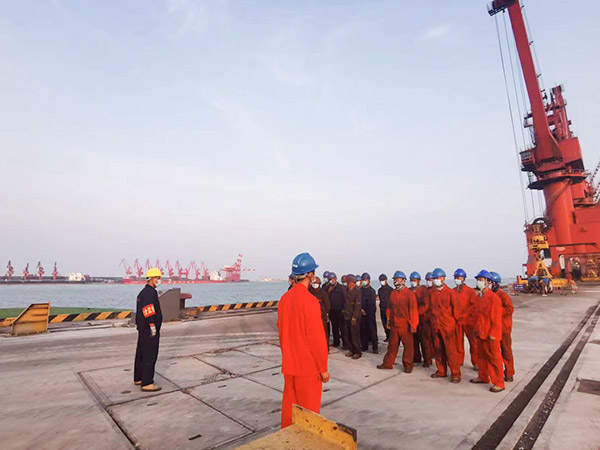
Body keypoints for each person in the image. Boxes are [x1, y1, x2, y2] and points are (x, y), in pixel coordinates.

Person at [278, 252, 330, 428]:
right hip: (308, 369)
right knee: (308, 416)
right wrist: (323, 368)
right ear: (310, 274)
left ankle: (287, 440)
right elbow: (317, 339)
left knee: (290, 411)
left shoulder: (284, 299)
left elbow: (282, 332)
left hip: (289, 365)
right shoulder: (310, 301)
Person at [470, 270, 505, 393]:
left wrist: (493, 334)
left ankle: (499, 383)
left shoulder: (494, 298)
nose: (479, 282)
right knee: (481, 356)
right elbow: (476, 315)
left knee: (494, 358)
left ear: (488, 282)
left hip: (491, 335)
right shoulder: (479, 297)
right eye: (478, 280)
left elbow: (496, 319)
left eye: (481, 280)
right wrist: (475, 329)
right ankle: (483, 376)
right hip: (481, 332)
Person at [378, 271, 419, 373]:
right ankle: (387, 363)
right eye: (394, 279)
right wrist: (388, 319)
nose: (395, 281)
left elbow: (413, 310)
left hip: (405, 325)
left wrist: (413, 325)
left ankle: (408, 365)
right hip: (394, 324)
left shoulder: (409, 294)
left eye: (398, 279)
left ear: (403, 280)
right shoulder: (393, 293)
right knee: (392, 346)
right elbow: (389, 308)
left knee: (408, 347)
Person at [429, 268, 462, 383]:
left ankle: (455, 374)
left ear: (443, 278)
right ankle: (441, 371)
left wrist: (454, 325)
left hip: (448, 327)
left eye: (437, 278)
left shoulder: (451, 293)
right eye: (434, 278)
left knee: (451, 351)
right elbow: (430, 309)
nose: (435, 280)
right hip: (436, 326)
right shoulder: (432, 293)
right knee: (438, 350)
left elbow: (457, 311)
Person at [134, 268, 164, 392]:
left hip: (143, 328)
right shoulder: (150, 293)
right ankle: (147, 382)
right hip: (149, 329)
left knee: (141, 353)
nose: (159, 280)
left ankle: (139, 378)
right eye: (157, 278)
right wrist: (152, 325)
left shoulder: (143, 292)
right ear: (151, 279)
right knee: (150, 355)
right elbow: (149, 309)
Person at [490, 271, 515, 382]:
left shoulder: (503, 296)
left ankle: (509, 372)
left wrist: (497, 312)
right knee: (494, 352)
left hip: (504, 328)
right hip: (493, 328)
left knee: (506, 351)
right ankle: (496, 373)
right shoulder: (489, 296)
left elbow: (509, 309)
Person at [452, 268, 479, 369]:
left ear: (464, 279)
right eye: (456, 277)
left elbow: (473, 306)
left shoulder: (470, 291)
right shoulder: (453, 291)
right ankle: (459, 360)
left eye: (459, 277)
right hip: (457, 321)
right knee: (458, 342)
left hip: (469, 321)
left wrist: (464, 315)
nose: (457, 279)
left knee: (474, 342)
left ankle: (476, 362)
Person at [410, 271, 432, 367]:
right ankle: (416, 357)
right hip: (412, 320)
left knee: (424, 341)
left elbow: (425, 305)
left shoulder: (424, 290)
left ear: (419, 281)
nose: (413, 282)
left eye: (415, 280)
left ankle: (427, 360)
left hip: (422, 319)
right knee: (414, 340)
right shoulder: (409, 291)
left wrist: (416, 314)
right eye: (411, 280)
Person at [343, 274, 363, 359]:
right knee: (347, 335)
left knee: (355, 335)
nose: (347, 283)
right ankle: (351, 350)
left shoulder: (357, 292)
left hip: (354, 317)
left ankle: (358, 351)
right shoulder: (346, 290)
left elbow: (358, 306)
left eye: (348, 282)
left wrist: (354, 317)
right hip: (347, 315)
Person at [360, 272, 378, 354]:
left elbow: (372, 304)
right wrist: (361, 309)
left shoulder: (372, 291)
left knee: (372, 331)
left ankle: (375, 347)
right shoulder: (360, 290)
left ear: (369, 280)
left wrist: (366, 311)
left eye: (365, 280)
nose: (364, 281)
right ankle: (364, 346)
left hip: (370, 314)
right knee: (363, 331)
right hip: (362, 313)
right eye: (363, 280)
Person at [309, 276, 331, 345]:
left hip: (322, 315)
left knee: (324, 331)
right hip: (312, 315)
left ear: (319, 284)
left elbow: (327, 305)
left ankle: (326, 345)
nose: (315, 284)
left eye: (316, 283)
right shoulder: (310, 291)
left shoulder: (323, 293)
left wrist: (325, 313)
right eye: (314, 283)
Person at [327, 273, 344, 348]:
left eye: (333, 279)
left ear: (336, 279)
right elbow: (325, 298)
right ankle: (336, 342)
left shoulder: (341, 287)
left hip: (340, 310)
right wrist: (329, 291)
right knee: (334, 327)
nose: (332, 280)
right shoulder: (327, 288)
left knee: (342, 328)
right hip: (332, 310)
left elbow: (344, 299)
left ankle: (345, 343)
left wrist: (343, 309)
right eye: (330, 279)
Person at [378, 274, 393, 342]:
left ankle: (391, 337)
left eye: (383, 280)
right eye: (381, 280)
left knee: (389, 323)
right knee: (384, 323)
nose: (382, 281)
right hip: (382, 308)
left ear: (386, 280)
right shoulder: (380, 290)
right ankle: (387, 336)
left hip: (388, 309)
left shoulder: (390, 290)